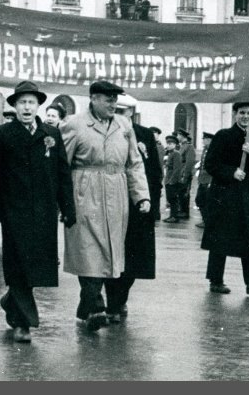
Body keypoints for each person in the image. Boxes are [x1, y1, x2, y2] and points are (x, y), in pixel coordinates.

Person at [60, 81, 150, 332]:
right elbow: (61, 166)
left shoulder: (124, 125)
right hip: (85, 191)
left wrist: (141, 196)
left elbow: (134, 163)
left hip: (117, 193)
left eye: (115, 99)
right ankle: (96, 306)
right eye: (108, 99)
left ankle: (86, 307)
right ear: (94, 99)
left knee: (108, 253)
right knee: (89, 251)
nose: (113, 104)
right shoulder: (74, 124)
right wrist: (64, 202)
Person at [0, 81, 74, 343]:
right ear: (15, 106)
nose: (27, 107)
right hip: (14, 211)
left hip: (44, 211)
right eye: (22, 102)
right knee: (18, 263)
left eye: (31, 102)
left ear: (38, 105)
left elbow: (62, 173)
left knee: (37, 264)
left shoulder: (51, 133)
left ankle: (10, 300)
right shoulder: (2, 135)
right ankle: (23, 323)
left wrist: (67, 208)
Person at [201, 102, 249, 295]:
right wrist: (232, 172)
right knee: (220, 239)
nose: (245, 116)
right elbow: (211, 164)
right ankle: (216, 280)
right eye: (242, 113)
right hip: (225, 193)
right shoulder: (223, 136)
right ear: (235, 114)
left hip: (248, 193)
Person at [113, 96, 162, 322]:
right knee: (110, 256)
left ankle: (120, 298)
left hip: (138, 207)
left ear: (131, 112)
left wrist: (152, 207)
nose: (119, 114)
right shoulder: (107, 131)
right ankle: (111, 302)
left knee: (134, 259)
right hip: (113, 202)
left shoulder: (144, 134)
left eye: (124, 111)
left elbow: (154, 173)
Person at [194, 132, 214, 228]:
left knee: (206, 201)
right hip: (202, 179)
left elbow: (214, 168)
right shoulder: (205, 150)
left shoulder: (213, 150)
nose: (203, 141)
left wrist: (211, 181)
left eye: (205, 139)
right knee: (199, 200)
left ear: (209, 140)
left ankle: (207, 221)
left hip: (209, 180)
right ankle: (205, 220)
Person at [163, 135, 184, 223]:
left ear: (175, 145)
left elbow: (177, 169)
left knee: (173, 199)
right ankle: (172, 215)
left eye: (170, 144)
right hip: (168, 180)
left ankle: (174, 217)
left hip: (173, 181)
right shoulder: (170, 154)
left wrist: (172, 181)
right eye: (168, 144)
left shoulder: (176, 154)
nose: (168, 145)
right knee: (170, 199)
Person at [176, 129, 195, 220]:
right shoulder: (181, 146)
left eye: (178, 135)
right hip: (180, 174)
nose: (177, 137)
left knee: (185, 193)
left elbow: (189, 163)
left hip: (184, 174)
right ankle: (181, 210)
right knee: (180, 192)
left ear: (182, 136)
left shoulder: (189, 147)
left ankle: (185, 212)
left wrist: (185, 175)